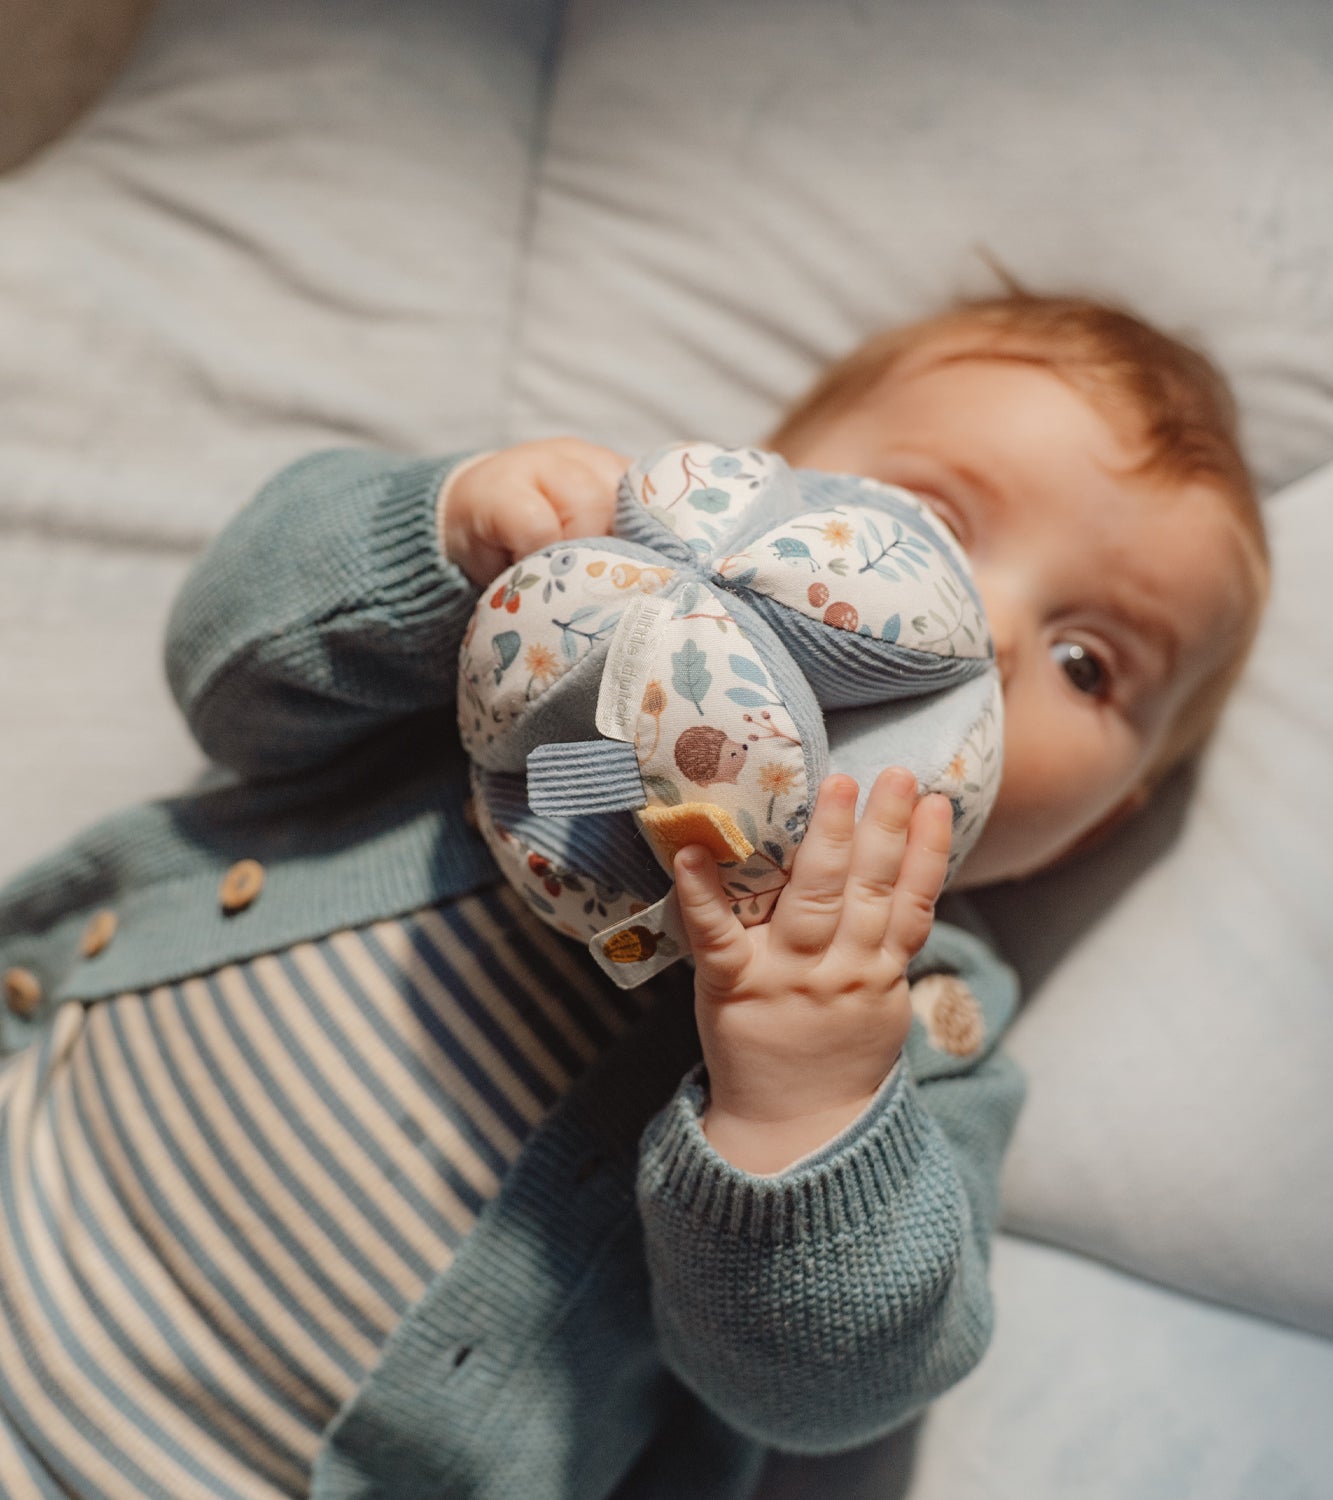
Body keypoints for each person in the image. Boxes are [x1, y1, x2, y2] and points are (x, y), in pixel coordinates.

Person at [0, 292, 1268, 1498]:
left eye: (1087, 662)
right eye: (926, 522)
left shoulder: (915, 1027)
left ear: (1095, 827)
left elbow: (836, 1395)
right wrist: (444, 534)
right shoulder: (537, 688)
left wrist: (807, 1108)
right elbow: (224, 663)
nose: (982, 631)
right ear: (751, 488)